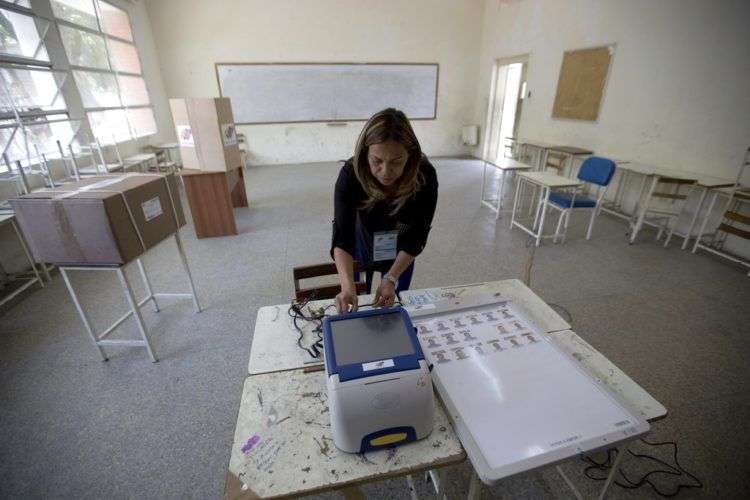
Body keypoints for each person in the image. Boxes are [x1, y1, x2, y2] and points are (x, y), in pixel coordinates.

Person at [330, 108, 439, 313]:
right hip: (363, 240)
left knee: (395, 302)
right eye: (377, 161)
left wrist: (391, 277)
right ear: (365, 153)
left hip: (402, 247)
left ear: (411, 155)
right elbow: (342, 236)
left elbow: (418, 236)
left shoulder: (424, 175)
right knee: (354, 293)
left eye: (397, 161)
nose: (386, 172)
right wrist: (346, 287)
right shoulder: (351, 174)